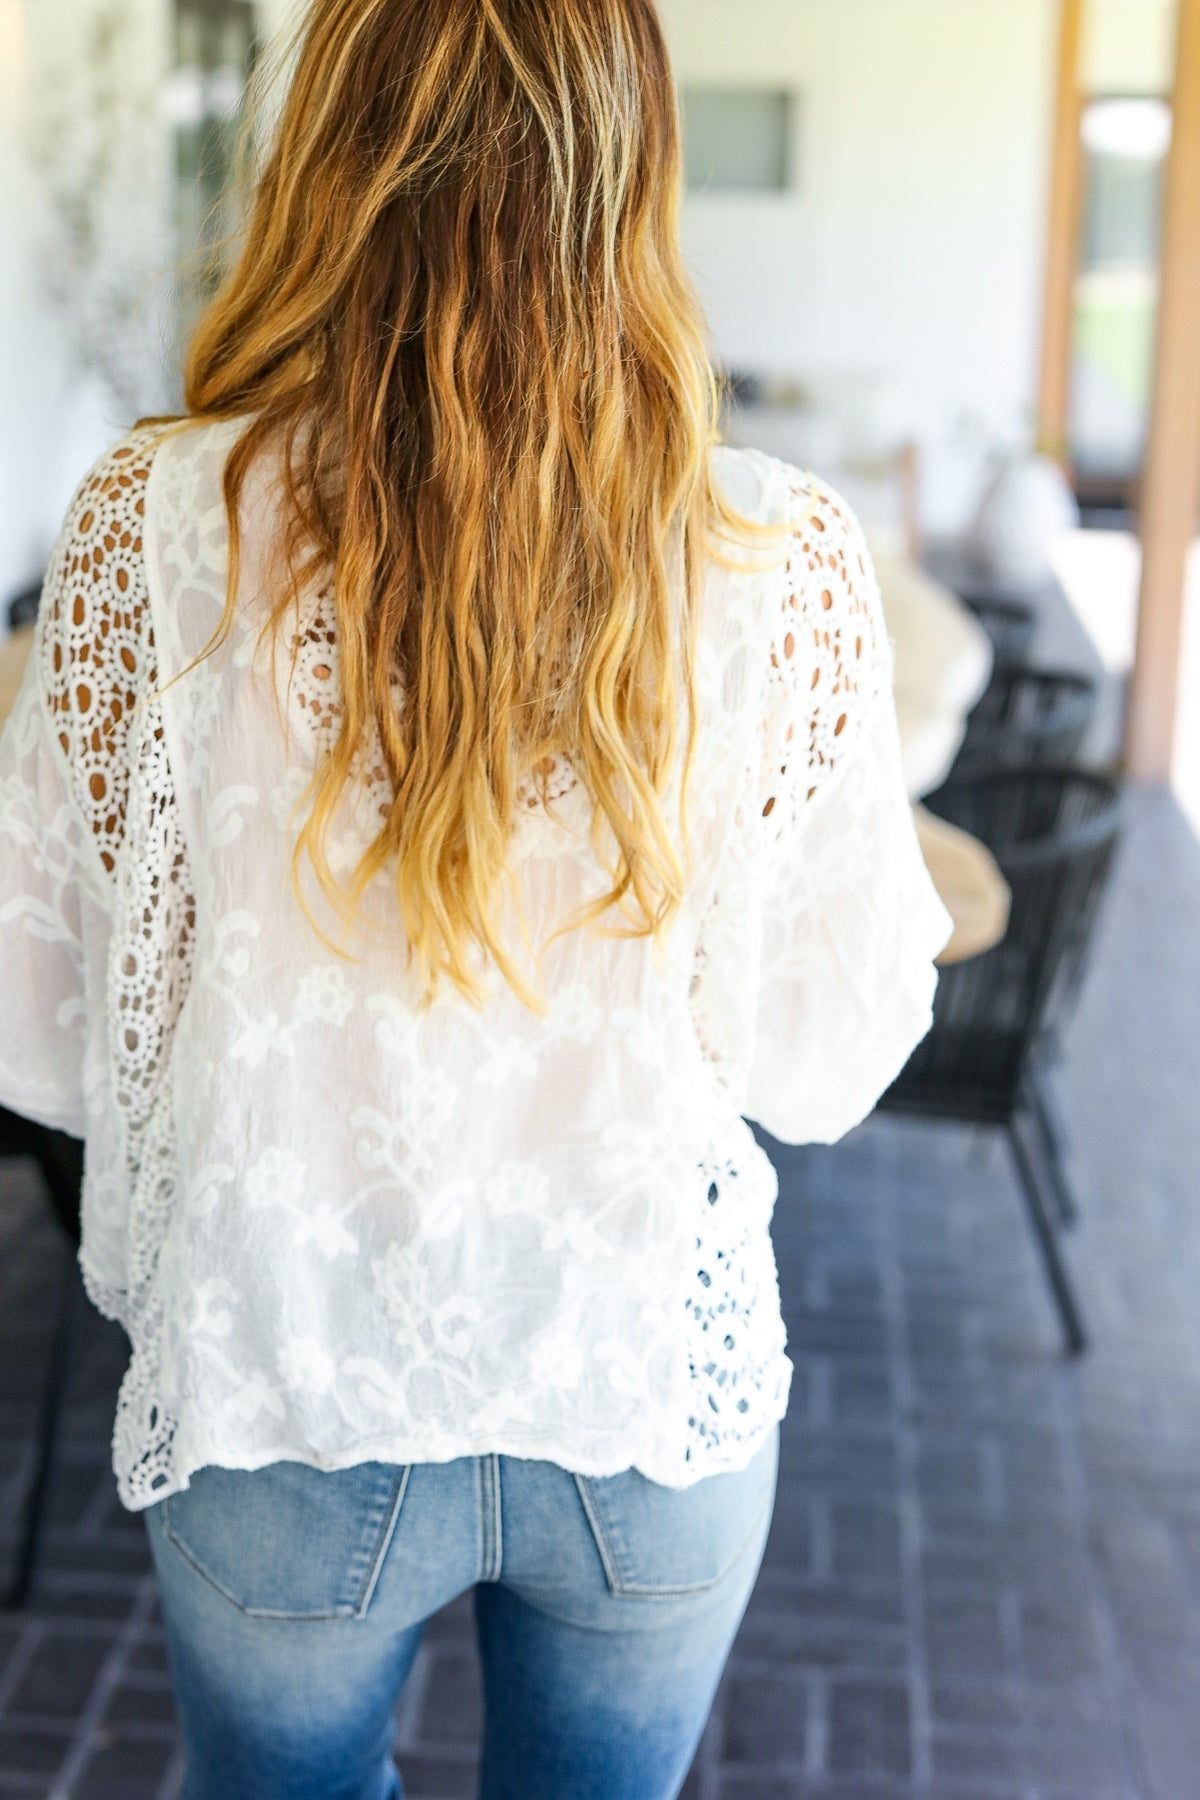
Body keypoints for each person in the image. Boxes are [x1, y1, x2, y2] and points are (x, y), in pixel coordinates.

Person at [0, 1, 952, 1795]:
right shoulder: (773, 553)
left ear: (326, 160)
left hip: (285, 1385)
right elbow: (824, 1056)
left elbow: (41, 1025)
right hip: (640, 1398)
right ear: (631, 179)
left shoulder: (148, 522)